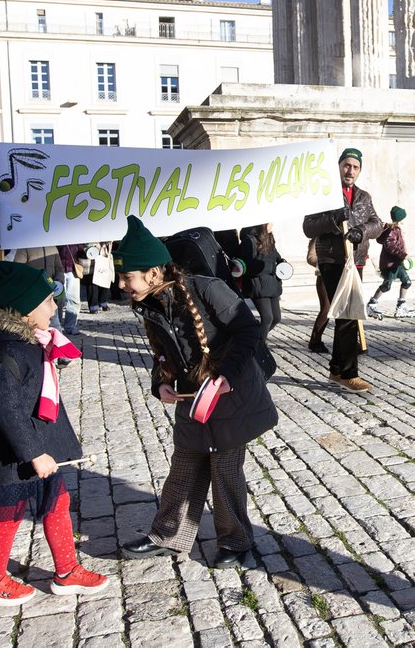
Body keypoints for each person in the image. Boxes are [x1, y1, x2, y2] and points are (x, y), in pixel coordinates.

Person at [116, 217, 277, 569]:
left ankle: (236, 541)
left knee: (225, 470)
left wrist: (225, 376)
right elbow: (162, 353)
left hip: (231, 393)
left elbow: (247, 330)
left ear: (153, 273)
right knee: (185, 466)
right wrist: (161, 382)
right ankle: (168, 536)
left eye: (127, 277)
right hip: (193, 396)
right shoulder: (151, 302)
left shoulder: (206, 288)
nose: (121, 284)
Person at [0, 260, 106, 607]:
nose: (55, 308)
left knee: (58, 503)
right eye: (47, 302)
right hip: (11, 455)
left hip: (40, 448)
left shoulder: (29, 341)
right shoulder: (5, 353)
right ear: (25, 311)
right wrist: (33, 453)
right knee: (9, 516)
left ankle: (67, 571)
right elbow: (7, 410)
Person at [302, 148, 384, 393]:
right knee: (349, 315)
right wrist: (333, 219)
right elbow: (308, 227)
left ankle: (337, 369)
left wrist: (361, 231)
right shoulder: (324, 194)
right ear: (338, 167)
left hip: (355, 261)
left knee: (348, 315)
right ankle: (349, 374)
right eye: (347, 165)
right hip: (333, 260)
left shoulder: (363, 197)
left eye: (355, 167)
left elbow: (377, 224)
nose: (350, 171)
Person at [237, 223, 286, 344]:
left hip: (272, 285)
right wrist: (271, 267)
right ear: (263, 224)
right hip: (258, 285)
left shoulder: (269, 238)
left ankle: (253, 340)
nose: (272, 225)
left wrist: (282, 263)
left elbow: (276, 257)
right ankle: (259, 347)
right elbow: (249, 265)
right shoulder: (249, 240)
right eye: (270, 222)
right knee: (267, 318)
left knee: (276, 318)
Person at [367, 206, 415, 318]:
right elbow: (390, 245)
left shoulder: (396, 229)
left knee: (407, 282)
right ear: (400, 220)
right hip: (391, 265)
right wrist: (403, 255)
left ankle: (401, 304)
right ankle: (372, 304)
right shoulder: (392, 230)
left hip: (397, 264)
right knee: (387, 285)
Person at [11, 245, 64, 327]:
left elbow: (59, 269)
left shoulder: (52, 247)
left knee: (55, 321)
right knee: (37, 323)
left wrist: (58, 281)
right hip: (34, 293)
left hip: (51, 291)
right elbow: (18, 268)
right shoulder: (25, 247)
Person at [56, 244, 84, 333]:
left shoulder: (74, 237)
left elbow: (81, 250)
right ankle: (57, 325)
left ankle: (70, 326)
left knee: (74, 299)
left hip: (72, 269)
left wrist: (87, 252)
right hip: (58, 270)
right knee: (59, 300)